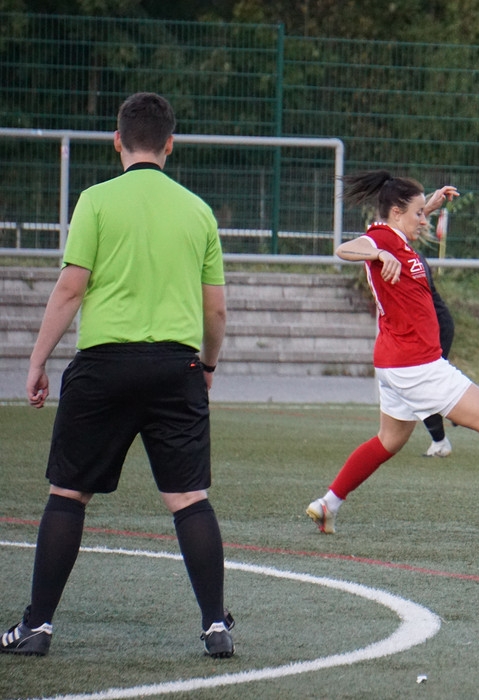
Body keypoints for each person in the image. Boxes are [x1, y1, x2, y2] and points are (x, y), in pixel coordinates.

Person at [1, 93, 233, 658]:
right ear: (170, 144)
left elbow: (71, 287)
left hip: (103, 367)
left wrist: (37, 360)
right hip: (176, 367)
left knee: (69, 493)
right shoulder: (198, 210)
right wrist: (206, 366)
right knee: (188, 498)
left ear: (117, 140)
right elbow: (216, 310)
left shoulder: (95, 202)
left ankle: (37, 626)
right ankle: (215, 625)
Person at [307, 170, 479, 535]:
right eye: (418, 213)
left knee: (389, 441)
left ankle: (328, 503)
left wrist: (428, 205)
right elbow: (344, 249)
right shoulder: (381, 238)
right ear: (394, 213)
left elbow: (398, 234)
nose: (424, 220)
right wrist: (376, 253)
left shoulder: (397, 238)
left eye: (425, 213)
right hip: (417, 363)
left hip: (395, 362)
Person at [416, 185, 459, 458]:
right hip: (421, 331)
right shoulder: (394, 247)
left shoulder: (408, 257)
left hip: (434, 328)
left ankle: (445, 431)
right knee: (420, 390)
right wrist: (431, 205)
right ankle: (444, 431)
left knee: (424, 388)